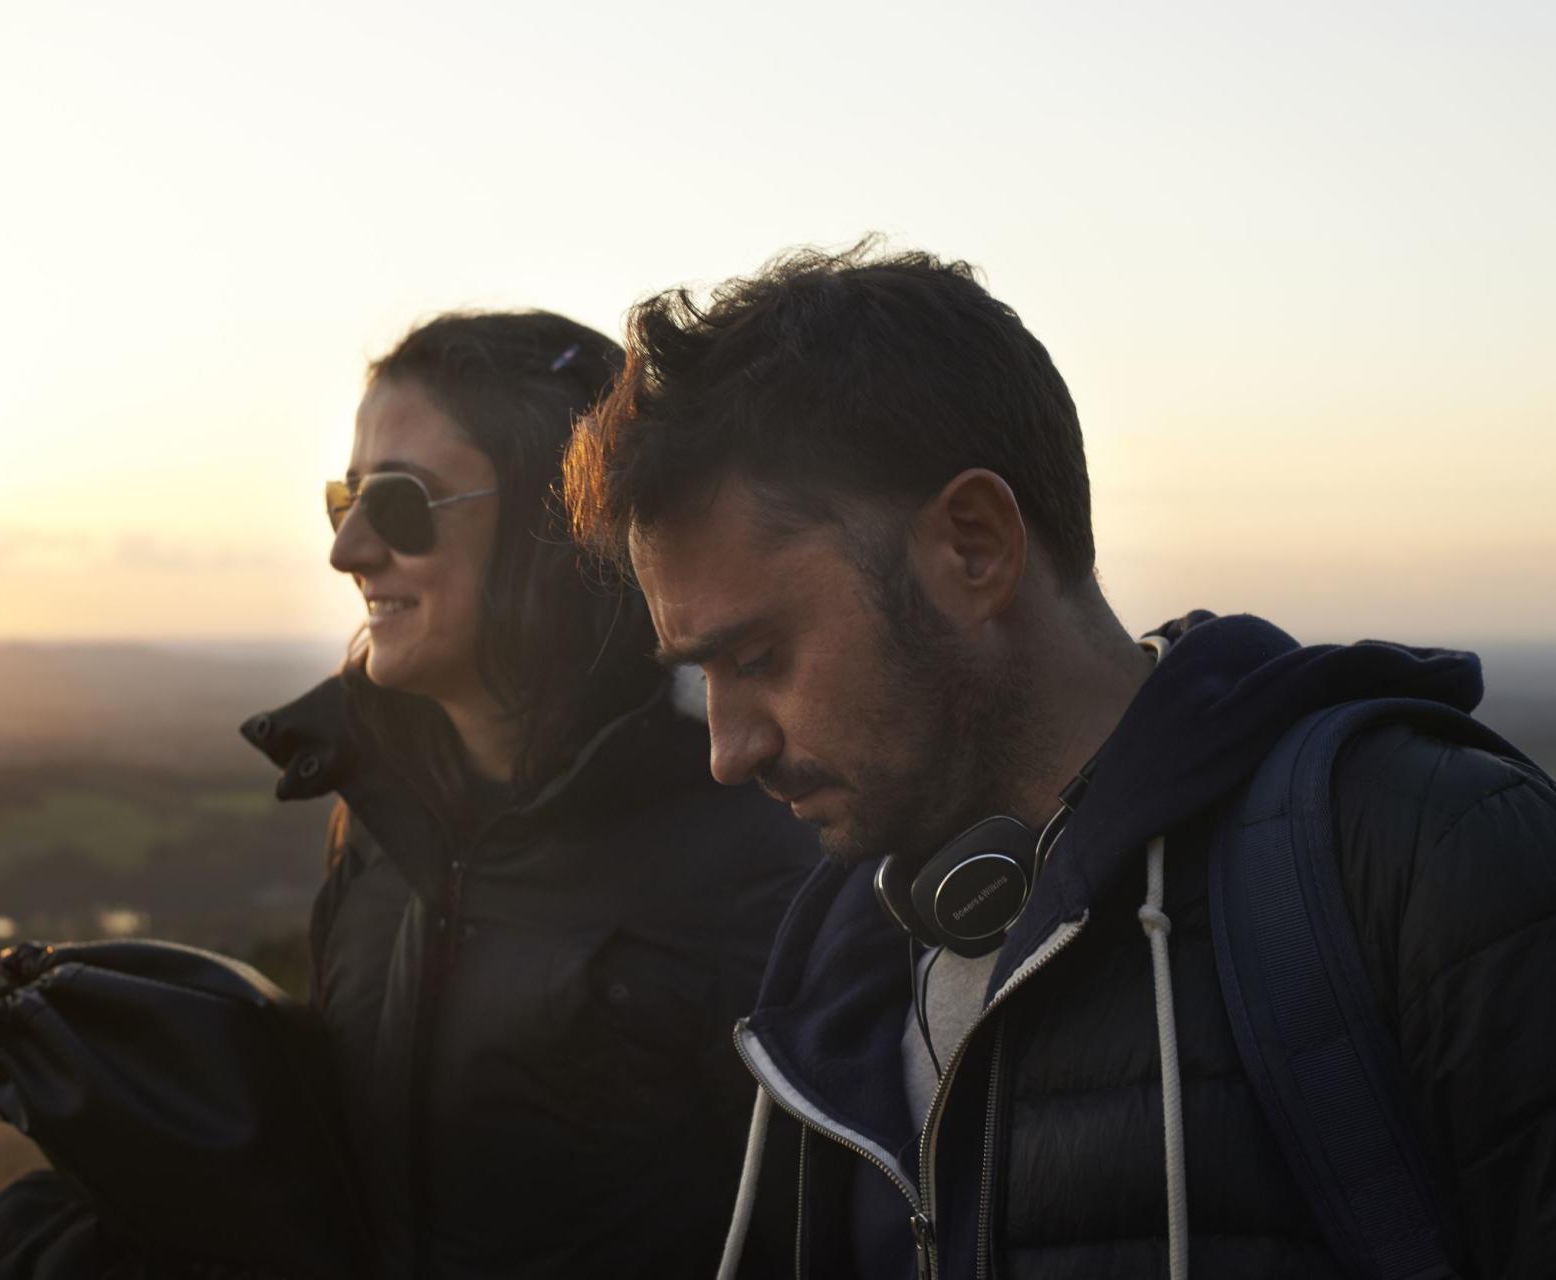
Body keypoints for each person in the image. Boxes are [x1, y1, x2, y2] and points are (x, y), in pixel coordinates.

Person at [562, 243, 1556, 1279]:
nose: (729, 750)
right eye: (700, 675)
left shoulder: (1422, 856)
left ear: (974, 546)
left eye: (759, 656)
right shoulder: (838, 958)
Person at [242, 311, 817, 1278]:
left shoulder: (760, 848)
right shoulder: (378, 825)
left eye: (399, 501)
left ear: (562, 525)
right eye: (346, 496)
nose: (348, 550)